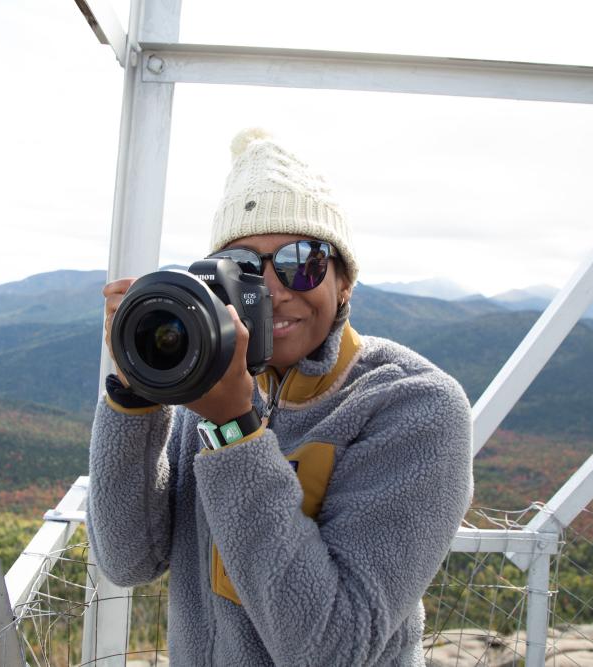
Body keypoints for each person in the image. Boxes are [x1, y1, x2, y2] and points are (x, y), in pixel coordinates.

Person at [87, 128, 473, 665]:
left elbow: (335, 648)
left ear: (344, 283)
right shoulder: (206, 386)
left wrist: (233, 431)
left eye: (302, 260)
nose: (271, 287)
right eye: (243, 266)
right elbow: (128, 559)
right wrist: (137, 395)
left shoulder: (414, 406)